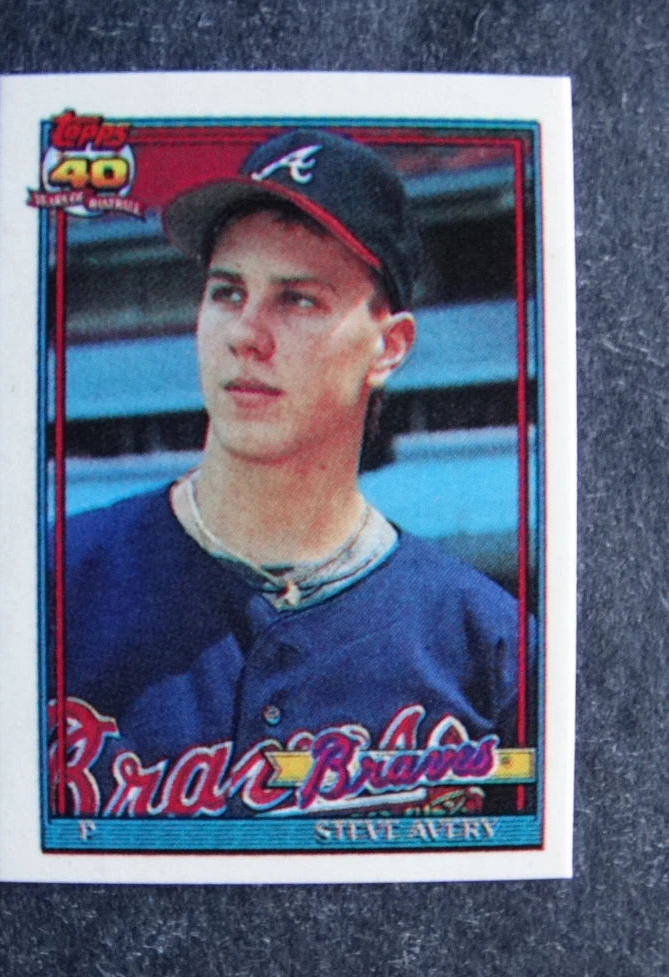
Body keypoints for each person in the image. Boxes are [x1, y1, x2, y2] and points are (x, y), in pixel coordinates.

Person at [53, 130, 528, 818]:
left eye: (298, 299)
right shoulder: (48, 586)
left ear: (389, 347)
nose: (245, 333)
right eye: (227, 292)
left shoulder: (494, 648)